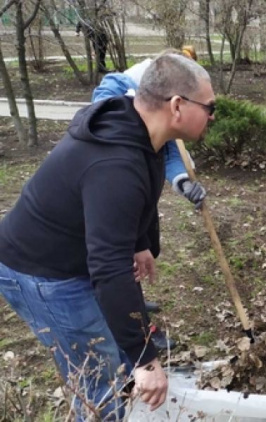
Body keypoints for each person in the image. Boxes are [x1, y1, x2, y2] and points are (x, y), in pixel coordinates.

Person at [0, 53, 216, 419]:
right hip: (41, 273)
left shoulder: (143, 131)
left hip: (69, 257)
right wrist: (147, 362)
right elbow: (110, 270)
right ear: (177, 106)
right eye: (210, 107)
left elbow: (137, 198)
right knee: (99, 382)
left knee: (112, 360)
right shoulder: (115, 165)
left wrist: (140, 244)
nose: (213, 115)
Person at [91, 46, 207, 351]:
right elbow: (106, 105)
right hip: (109, 203)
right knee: (117, 265)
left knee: (140, 251)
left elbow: (171, 153)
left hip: (137, 202)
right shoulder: (120, 94)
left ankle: (135, 303)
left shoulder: (164, 112)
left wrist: (183, 181)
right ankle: (138, 332)